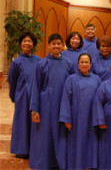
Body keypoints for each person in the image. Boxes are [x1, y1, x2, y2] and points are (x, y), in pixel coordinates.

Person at [29, 34, 74, 169]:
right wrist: (35, 109)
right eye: (53, 44)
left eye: (58, 44)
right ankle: (42, 162)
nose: (56, 46)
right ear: (49, 45)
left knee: (60, 134)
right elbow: (36, 87)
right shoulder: (41, 64)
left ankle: (59, 162)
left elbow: (72, 85)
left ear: (62, 46)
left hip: (62, 104)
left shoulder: (68, 64)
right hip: (45, 105)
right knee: (44, 135)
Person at [59, 53, 101, 169]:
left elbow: (101, 99)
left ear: (90, 64)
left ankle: (90, 164)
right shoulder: (71, 79)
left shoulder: (96, 79)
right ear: (78, 64)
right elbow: (66, 99)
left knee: (91, 141)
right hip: (76, 117)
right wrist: (66, 118)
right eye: (82, 62)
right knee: (77, 142)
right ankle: (76, 165)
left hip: (92, 117)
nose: (84, 64)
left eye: (86, 62)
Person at [8, 31, 41, 158]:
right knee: (22, 122)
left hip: (35, 96)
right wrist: (15, 96)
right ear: (21, 44)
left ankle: (34, 148)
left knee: (34, 123)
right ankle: (21, 149)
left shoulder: (39, 61)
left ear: (33, 44)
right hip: (22, 96)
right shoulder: (16, 62)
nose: (27, 43)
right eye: (24, 41)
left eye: (29, 41)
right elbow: (12, 80)